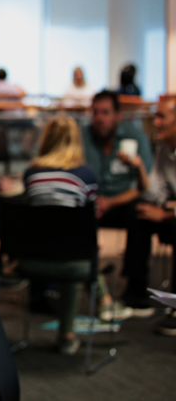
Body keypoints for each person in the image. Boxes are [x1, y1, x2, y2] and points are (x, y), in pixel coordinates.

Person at [21, 116, 132, 355]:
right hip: (73, 262)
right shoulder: (85, 175)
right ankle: (96, 310)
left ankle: (96, 311)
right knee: (77, 247)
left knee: (67, 244)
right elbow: (88, 221)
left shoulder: (31, 174)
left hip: (30, 260)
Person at [81, 90, 153, 314]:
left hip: (123, 202)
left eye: (105, 113)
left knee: (140, 212)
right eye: (95, 113)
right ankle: (71, 281)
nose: (99, 118)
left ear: (118, 115)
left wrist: (110, 202)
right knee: (71, 212)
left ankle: (136, 288)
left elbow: (143, 185)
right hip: (91, 201)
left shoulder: (135, 137)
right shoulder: (84, 136)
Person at [128, 95, 176, 336]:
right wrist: (138, 168)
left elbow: (163, 206)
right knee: (140, 213)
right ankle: (136, 295)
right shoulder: (164, 150)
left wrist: (166, 214)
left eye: (161, 116)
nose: (155, 122)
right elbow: (153, 192)